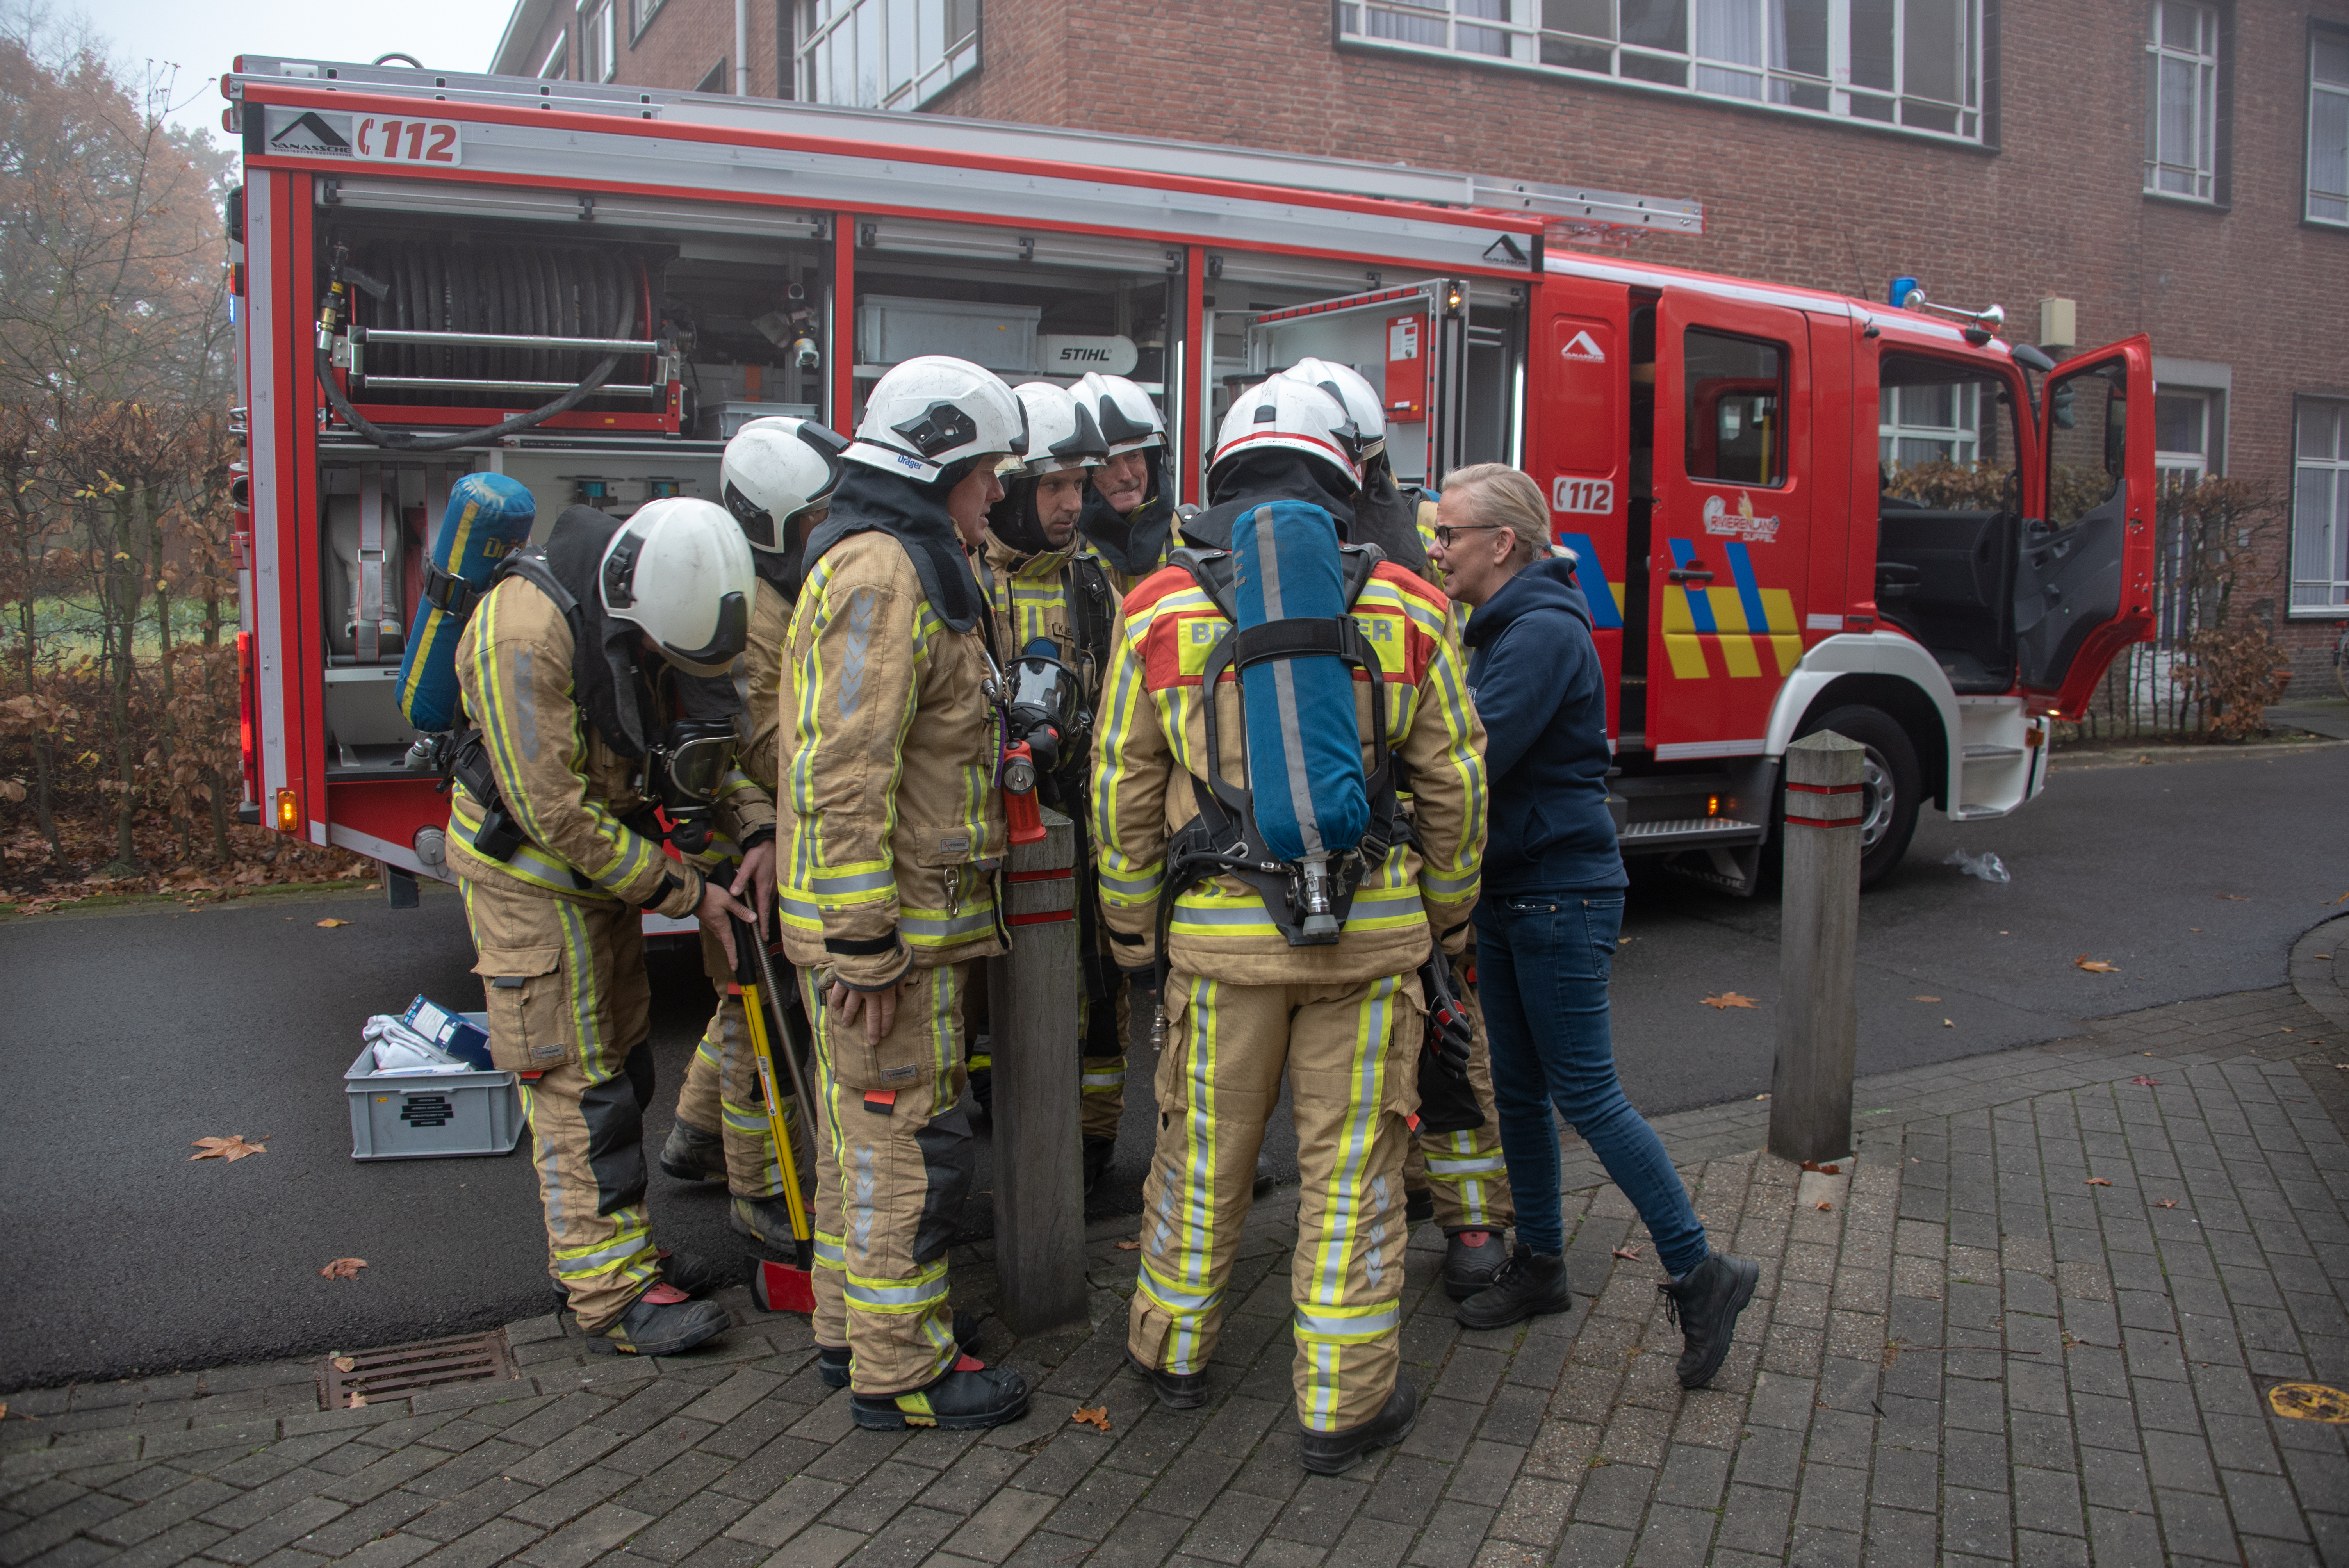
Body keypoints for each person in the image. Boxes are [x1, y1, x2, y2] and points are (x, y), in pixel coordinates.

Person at [1097, 377, 1486, 1474]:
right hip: (1371, 950)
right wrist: (1447, 919)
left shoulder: (1159, 608)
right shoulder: (1414, 606)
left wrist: (1134, 931)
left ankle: (1170, 1354)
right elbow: (1454, 783)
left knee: (1199, 1158)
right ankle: (1343, 1404)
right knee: (1355, 1173)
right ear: (1344, 476)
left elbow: (1122, 786)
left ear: (1221, 475)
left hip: (1220, 952)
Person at [1428, 464, 1759, 1388]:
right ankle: (1539, 1262)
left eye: (1450, 531)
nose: (1436, 545)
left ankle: (1701, 1271)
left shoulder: (1535, 632)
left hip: (1557, 893)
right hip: (1517, 886)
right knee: (1524, 1095)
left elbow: (1471, 755)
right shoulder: (1502, 625)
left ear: (1502, 543)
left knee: (1586, 1093)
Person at [776, 355, 1032, 1432]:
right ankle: (902, 1373)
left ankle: (854, 1335)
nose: (997, 495)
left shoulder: (899, 557)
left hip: (892, 922)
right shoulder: (886, 572)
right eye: (987, 474)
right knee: (902, 1144)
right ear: (941, 465)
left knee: (861, 1140)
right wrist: (867, 941)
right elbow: (848, 767)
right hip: (891, 932)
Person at [448, 495, 766, 1357]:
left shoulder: (663, 605)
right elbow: (554, 813)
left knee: (623, 1067)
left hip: (599, 882)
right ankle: (611, 1299)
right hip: (533, 880)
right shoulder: (522, 635)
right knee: (576, 1084)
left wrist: (756, 825)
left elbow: (706, 749)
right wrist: (683, 891)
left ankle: (621, 1253)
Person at [1274, 359, 1514, 1301]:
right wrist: (1450, 903)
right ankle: (1472, 1229)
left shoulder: (1237, 554)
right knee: (1447, 1042)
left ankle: (1440, 1210)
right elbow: (1452, 752)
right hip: (1400, 859)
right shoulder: (1406, 556)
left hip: (1275, 868)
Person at [659, 418, 846, 1253]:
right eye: (814, 519)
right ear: (770, 524)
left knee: (745, 1009)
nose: (826, 530)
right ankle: (762, 1192)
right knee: (757, 1027)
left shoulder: (772, 591)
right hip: (748, 839)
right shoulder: (757, 611)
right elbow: (764, 745)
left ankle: (695, 1139)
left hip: (770, 831)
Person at [973, 381, 1131, 1195]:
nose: (1075, 502)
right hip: (986, 830)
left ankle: (1091, 1145)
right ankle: (1001, 1127)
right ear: (1007, 485)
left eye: (1080, 485)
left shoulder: (1097, 582)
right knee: (984, 996)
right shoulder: (959, 577)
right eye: (1055, 486)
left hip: (1078, 829)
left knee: (1096, 991)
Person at [1073, 371, 1181, 595]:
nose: (1125, 475)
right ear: (1083, 476)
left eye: (1134, 456)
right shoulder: (1066, 547)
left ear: (1150, 461)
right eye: (1108, 463)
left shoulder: (1188, 533)